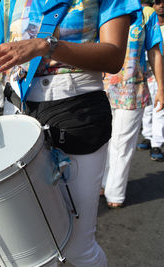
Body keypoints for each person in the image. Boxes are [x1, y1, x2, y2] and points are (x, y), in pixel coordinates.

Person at [0, 1, 140, 266]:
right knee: (28, 243)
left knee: (78, 248)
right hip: (17, 112)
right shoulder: (9, 2)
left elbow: (113, 57)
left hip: (76, 112)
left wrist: (45, 46)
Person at [103, 5, 164, 208]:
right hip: (101, 87)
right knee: (104, 141)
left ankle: (115, 193)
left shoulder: (146, 14)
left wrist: (161, 88)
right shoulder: (103, 6)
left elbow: (154, 51)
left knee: (123, 144)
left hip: (132, 89)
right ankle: (102, 183)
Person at [137, 0, 164, 161]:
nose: (161, 5)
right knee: (146, 107)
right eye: (158, 2)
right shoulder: (144, 19)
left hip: (159, 72)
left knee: (159, 108)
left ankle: (157, 143)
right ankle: (147, 135)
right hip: (142, 70)